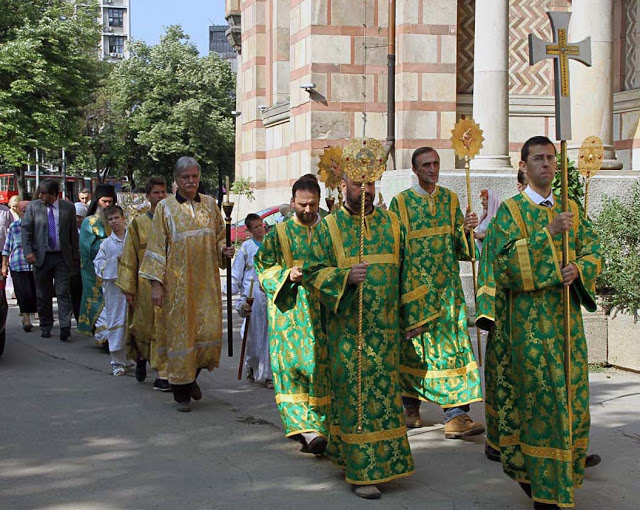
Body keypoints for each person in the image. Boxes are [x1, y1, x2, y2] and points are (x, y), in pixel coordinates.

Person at [476, 136, 602, 510]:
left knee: (568, 401)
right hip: (527, 331)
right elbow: (500, 268)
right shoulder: (510, 214)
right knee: (538, 406)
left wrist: (578, 268)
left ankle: (564, 472)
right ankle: (540, 484)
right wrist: (547, 236)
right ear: (523, 165)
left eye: (551, 158)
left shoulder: (572, 210)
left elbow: (595, 251)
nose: (546, 164)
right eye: (538, 158)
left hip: (566, 327)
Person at [303, 174, 414, 500]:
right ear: (343, 187)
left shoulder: (393, 224)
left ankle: (377, 460)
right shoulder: (329, 227)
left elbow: (408, 271)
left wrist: (414, 316)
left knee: (385, 399)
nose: (364, 191)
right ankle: (363, 471)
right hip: (349, 335)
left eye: (369, 184)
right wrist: (344, 277)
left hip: (387, 333)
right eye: (357, 185)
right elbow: (312, 272)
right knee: (357, 400)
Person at [388, 147, 484, 439]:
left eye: (436, 164)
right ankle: (411, 410)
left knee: (452, 351)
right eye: (426, 165)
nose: (432, 169)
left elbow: (461, 249)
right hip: (415, 293)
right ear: (414, 170)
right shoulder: (401, 203)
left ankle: (456, 416)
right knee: (414, 352)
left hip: (447, 294)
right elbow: (395, 249)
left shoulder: (451, 199)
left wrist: (467, 230)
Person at [139, 157, 234, 412]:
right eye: (185, 178)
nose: (191, 181)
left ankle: (192, 377)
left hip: (206, 282)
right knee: (181, 337)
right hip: (177, 285)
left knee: (208, 333)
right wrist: (156, 285)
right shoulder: (165, 209)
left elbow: (218, 238)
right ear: (176, 180)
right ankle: (181, 392)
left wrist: (224, 251)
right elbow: (157, 247)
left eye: (194, 176)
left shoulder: (211, 205)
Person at [254, 175, 329, 454]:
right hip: (289, 315)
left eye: (312, 205)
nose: (307, 211)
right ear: (292, 202)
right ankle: (305, 429)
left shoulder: (330, 230)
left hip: (322, 314)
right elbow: (263, 268)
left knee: (319, 370)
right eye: (302, 205)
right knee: (292, 370)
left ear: (319, 202)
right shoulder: (279, 233)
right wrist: (287, 274)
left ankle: (321, 426)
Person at [116, 176, 171, 391]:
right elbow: (129, 256)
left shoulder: (171, 219)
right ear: (148, 197)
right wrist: (129, 288)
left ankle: (162, 373)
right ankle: (140, 357)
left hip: (168, 281)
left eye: (163, 192)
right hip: (144, 282)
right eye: (155, 193)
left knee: (164, 328)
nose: (160, 196)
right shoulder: (139, 223)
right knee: (144, 326)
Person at [21, 179, 79, 340]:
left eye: (44, 193)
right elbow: (25, 231)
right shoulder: (33, 207)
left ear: (54, 194)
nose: (40, 196)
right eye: (40, 192)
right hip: (41, 257)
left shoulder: (68, 208)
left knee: (63, 292)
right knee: (43, 294)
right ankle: (46, 325)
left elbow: (73, 234)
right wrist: (28, 252)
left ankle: (65, 326)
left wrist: (76, 257)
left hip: (62, 257)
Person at [230, 213, 271, 387]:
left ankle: (269, 375)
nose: (260, 229)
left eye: (261, 225)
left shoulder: (271, 245)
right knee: (253, 336)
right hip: (252, 295)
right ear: (249, 230)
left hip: (268, 294)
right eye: (256, 227)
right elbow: (237, 271)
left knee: (270, 336)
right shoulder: (246, 248)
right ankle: (252, 365)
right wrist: (234, 289)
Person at [77, 184, 116, 344]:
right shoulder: (90, 222)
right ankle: (104, 336)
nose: (107, 205)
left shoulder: (116, 219)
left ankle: (114, 335)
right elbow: (87, 248)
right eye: (104, 201)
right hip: (94, 271)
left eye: (110, 201)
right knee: (98, 302)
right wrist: (109, 244)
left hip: (115, 269)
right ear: (97, 201)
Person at [94, 205, 129, 376]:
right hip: (115, 288)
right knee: (116, 321)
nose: (114, 222)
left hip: (134, 286)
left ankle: (135, 357)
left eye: (117, 218)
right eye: (110, 219)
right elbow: (98, 265)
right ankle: (117, 361)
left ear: (123, 218)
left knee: (135, 321)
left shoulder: (133, 239)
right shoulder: (106, 244)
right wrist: (115, 261)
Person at [2, 201, 37, 332]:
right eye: (23, 211)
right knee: (23, 293)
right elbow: (7, 248)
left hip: (35, 265)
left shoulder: (38, 226)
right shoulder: (14, 226)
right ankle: (26, 318)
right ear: (18, 212)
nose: (26, 213)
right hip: (18, 264)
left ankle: (38, 313)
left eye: (28, 211)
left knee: (35, 292)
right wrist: (4, 265)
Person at [71, 202, 87, 323]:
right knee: (76, 294)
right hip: (74, 267)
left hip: (87, 267)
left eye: (79, 217)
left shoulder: (88, 229)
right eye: (75, 216)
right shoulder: (69, 230)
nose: (77, 219)